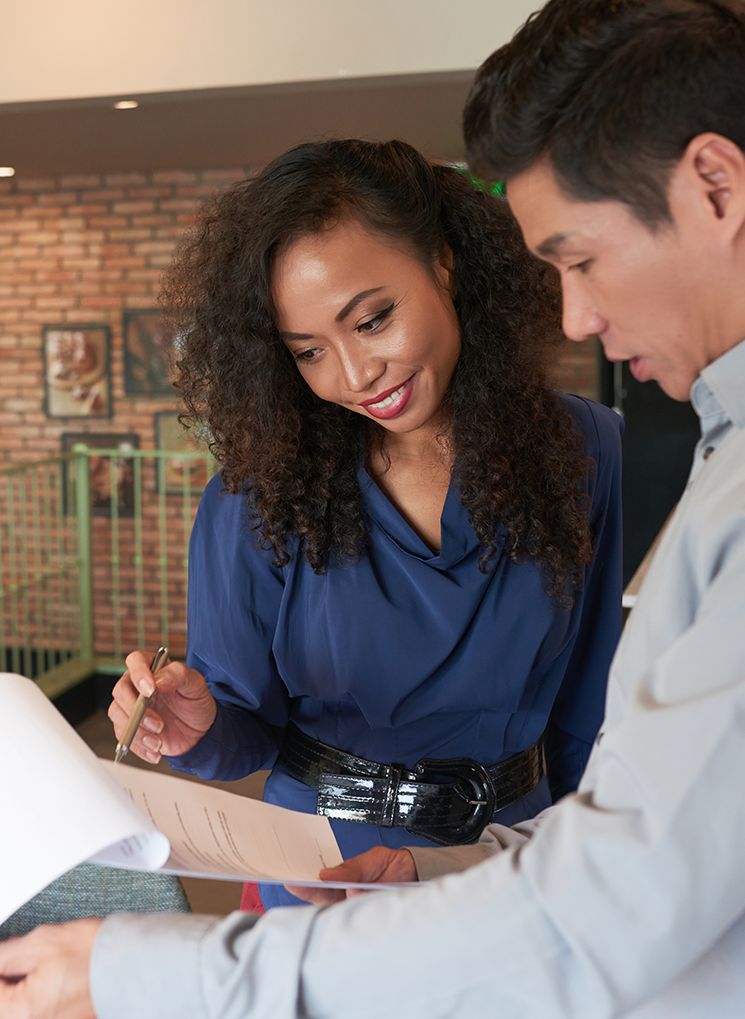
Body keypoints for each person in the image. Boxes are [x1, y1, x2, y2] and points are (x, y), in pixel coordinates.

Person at [0, 0, 745, 1016]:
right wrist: (443, 870)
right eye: (308, 349)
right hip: (412, 879)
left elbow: (611, 878)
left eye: (579, 258)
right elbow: (642, 832)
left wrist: (139, 972)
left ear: (713, 183)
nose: (576, 314)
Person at [109, 138, 625, 910]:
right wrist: (198, 728)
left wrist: (598, 868)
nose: (354, 376)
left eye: (374, 319)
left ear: (445, 265)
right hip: (321, 872)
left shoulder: (585, 447)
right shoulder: (253, 498)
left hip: (513, 861)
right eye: (310, 351)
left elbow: (592, 702)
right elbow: (243, 730)